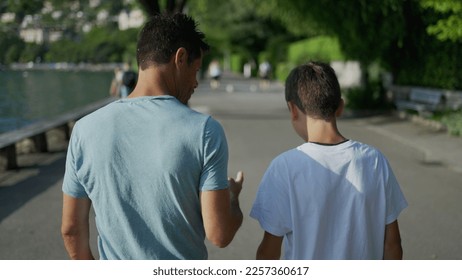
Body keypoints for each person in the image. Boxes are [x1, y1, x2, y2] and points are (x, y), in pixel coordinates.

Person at [61, 13, 243, 260]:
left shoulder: (84, 129)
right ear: (180, 58)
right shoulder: (204, 131)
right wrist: (232, 201)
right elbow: (219, 234)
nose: (196, 82)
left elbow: (71, 230)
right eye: (196, 70)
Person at [250, 61, 408, 260]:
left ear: (292, 109)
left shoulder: (284, 167)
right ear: (340, 107)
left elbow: (269, 252)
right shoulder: (374, 160)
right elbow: (393, 245)